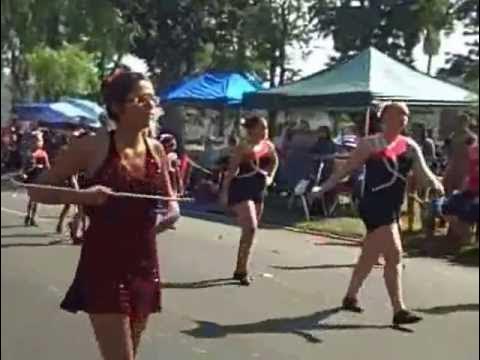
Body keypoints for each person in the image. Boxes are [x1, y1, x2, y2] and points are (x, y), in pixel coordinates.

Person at [28, 68, 180, 360]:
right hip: (104, 264)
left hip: (145, 263)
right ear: (117, 107)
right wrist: (81, 197)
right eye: (141, 99)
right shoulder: (92, 146)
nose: (151, 106)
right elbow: (36, 190)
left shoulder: (158, 150)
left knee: (129, 354)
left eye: (153, 99)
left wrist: (167, 218)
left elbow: (171, 205)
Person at [317, 102, 444, 326]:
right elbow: (346, 169)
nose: (404, 117)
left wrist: (434, 184)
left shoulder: (409, 146)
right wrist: (323, 188)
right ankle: (399, 310)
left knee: (370, 255)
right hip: (373, 205)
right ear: (385, 118)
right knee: (394, 254)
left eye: (406, 114)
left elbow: (423, 173)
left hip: (393, 206)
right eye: (399, 114)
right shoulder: (369, 144)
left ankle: (350, 296)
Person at [220, 116, 279, 286]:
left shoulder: (268, 146)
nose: (265, 131)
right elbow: (231, 171)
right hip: (242, 188)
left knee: (250, 232)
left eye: (266, 128)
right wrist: (224, 192)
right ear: (251, 129)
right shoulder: (243, 147)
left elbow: (275, 162)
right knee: (251, 226)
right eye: (261, 127)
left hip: (259, 189)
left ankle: (241, 268)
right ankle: (242, 269)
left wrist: (270, 177)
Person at [24, 137, 50, 226]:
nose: (38, 143)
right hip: (32, 179)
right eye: (36, 141)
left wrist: (43, 169)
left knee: (36, 200)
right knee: (32, 199)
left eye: (40, 141)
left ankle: (32, 218)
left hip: (40, 178)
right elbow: (26, 167)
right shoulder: (30, 153)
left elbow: (47, 166)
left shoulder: (43, 153)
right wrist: (26, 171)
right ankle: (28, 215)